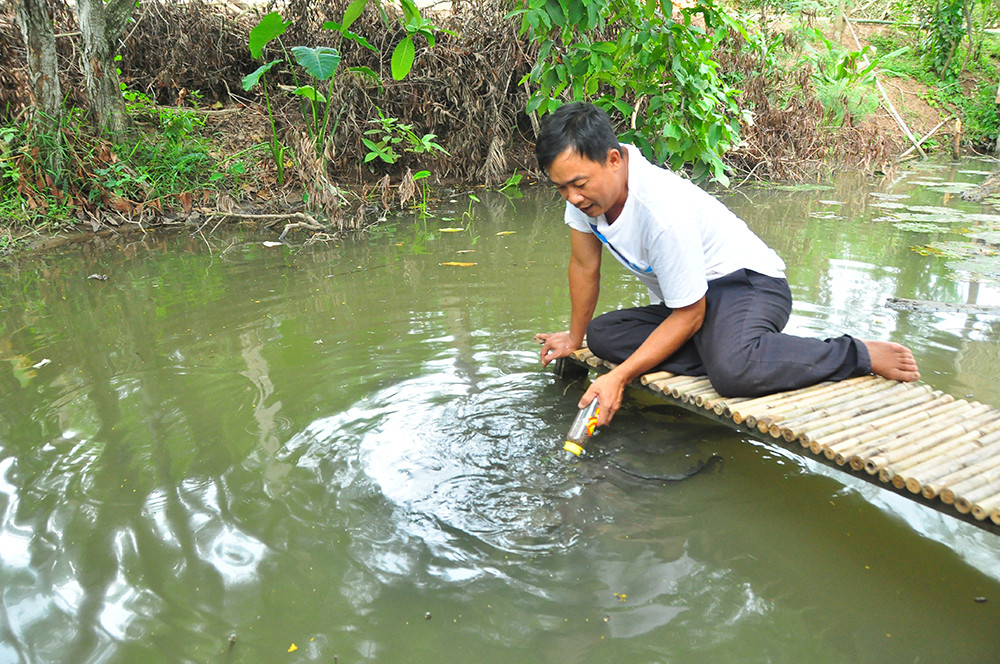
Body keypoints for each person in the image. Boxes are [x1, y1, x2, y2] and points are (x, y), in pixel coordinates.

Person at [533, 102, 920, 427]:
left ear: (614, 160)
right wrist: (575, 337)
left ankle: (857, 353)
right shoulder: (587, 200)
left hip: (748, 285)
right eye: (561, 187)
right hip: (691, 301)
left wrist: (619, 377)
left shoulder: (662, 212)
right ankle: (726, 348)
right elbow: (584, 267)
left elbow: (690, 315)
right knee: (604, 336)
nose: (572, 197)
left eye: (579, 184)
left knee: (733, 372)